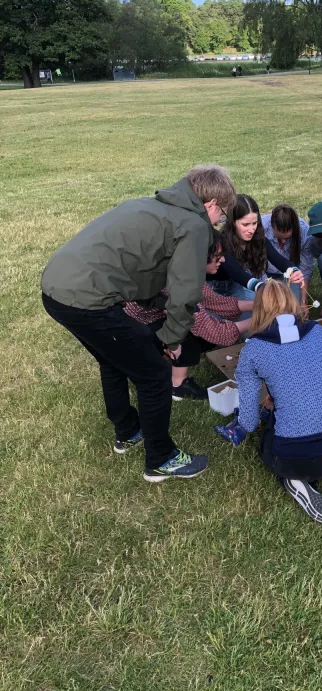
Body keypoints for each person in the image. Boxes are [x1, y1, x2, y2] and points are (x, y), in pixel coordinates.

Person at [41, 164, 235, 483]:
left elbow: (140, 273)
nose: (219, 222)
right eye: (223, 215)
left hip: (55, 289)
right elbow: (186, 294)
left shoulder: (149, 205)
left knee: (112, 360)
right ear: (212, 204)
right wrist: (171, 340)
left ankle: (128, 431)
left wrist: (157, 309)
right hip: (88, 300)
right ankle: (161, 458)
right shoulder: (194, 226)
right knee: (155, 373)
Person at [215, 281, 322, 524]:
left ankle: (300, 484)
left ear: (258, 309)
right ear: (292, 302)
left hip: (297, 456)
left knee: (268, 445)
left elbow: (249, 421)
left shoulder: (253, 350)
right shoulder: (321, 333)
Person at [123, 230, 253, 401]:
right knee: (190, 329)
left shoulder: (188, 268)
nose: (222, 260)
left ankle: (166, 356)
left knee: (200, 325)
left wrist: (258, 304)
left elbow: (214, 301)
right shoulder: (179, 282)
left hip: (149, 321)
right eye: (218, 255)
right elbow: (210, 329)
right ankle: (177, 385)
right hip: (134, 331)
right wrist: (257, 320)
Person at [215, 194, 304, 308]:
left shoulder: (257, 237)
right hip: (224, 288)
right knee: (261, 304)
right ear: (233, 222)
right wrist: (263, 288)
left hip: (249, 280)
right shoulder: (222, 242)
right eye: (245, 224)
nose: (251, 229)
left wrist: (294, 270)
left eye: (254, 223)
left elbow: (277, 259)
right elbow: (237, 273)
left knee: (292, 284)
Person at [262, 204, 314, 310]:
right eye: (279, 238)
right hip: (264, 274)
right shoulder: (261, 228)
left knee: (294, 309)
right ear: (272, 226)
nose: (283, 242)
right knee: (268, 308)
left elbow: (305, 268)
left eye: (288, 238)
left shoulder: (305, 232)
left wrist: (303, 302)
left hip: (291, 276)